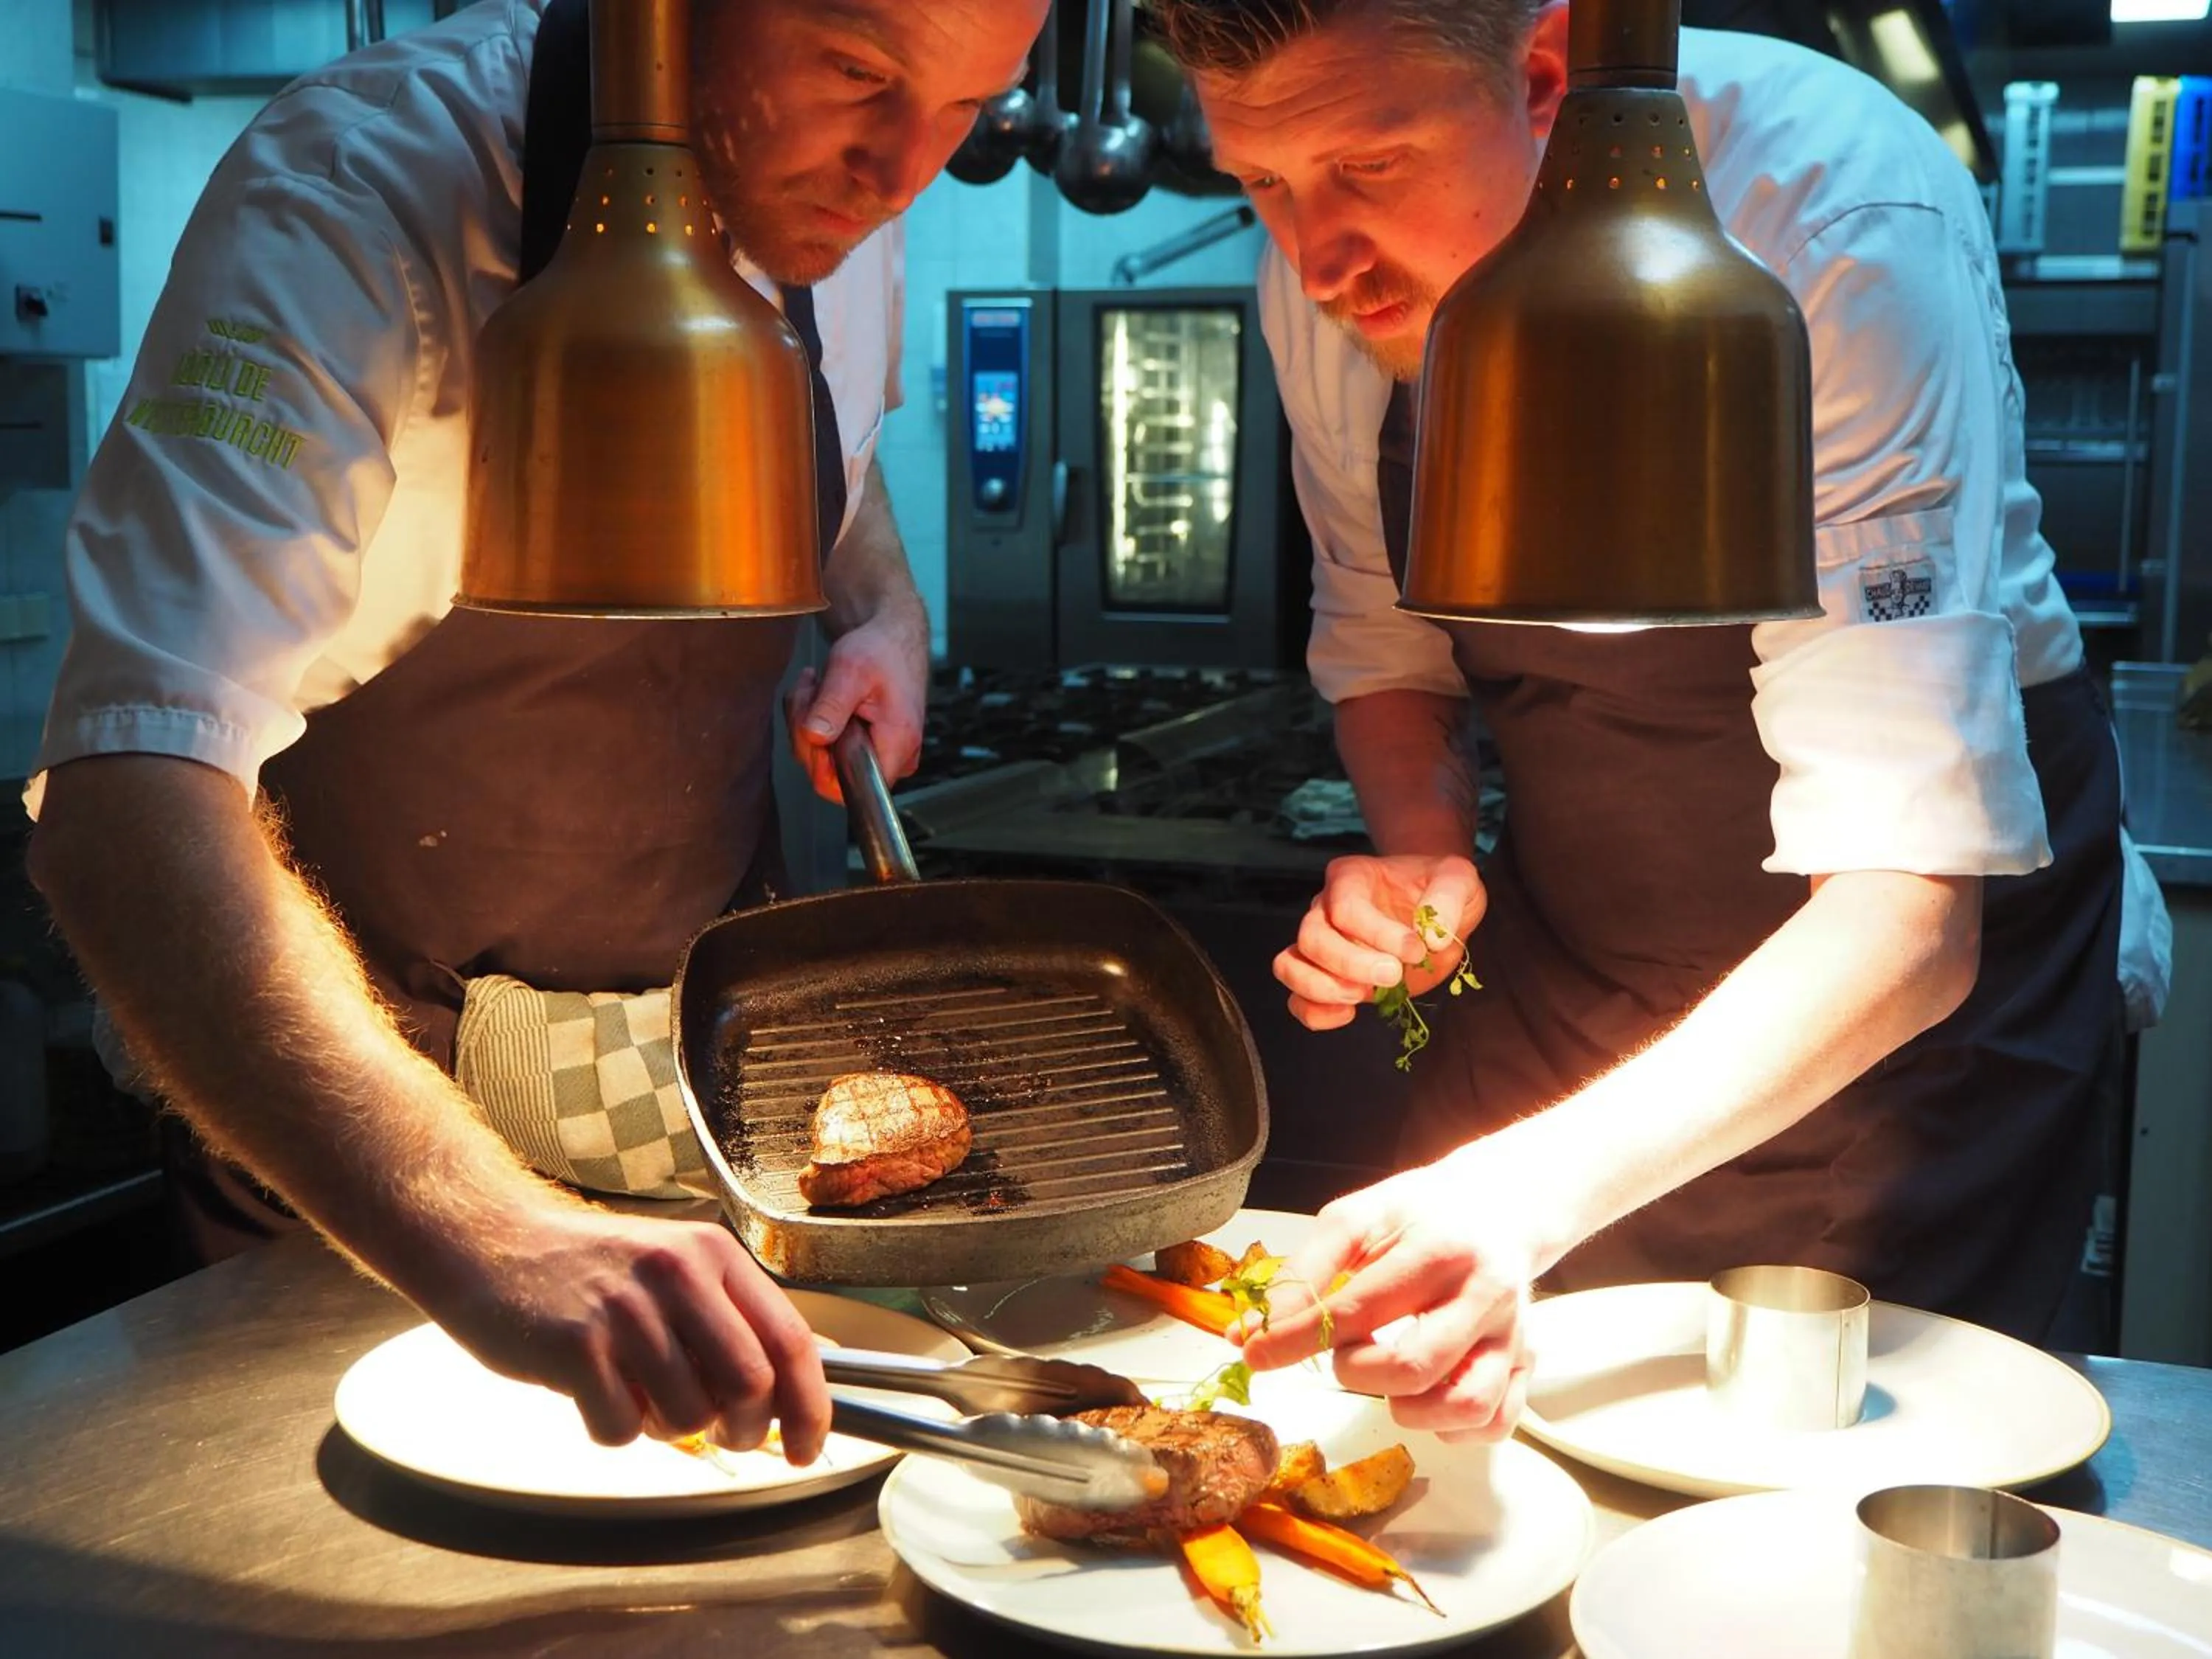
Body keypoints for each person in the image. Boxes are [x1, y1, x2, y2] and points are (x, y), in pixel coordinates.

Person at [25, 0, 1043, 1465]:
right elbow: (125, 805)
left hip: (687, 1130)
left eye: (967, 108)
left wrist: (880, 608)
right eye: (858, 71)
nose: (902, 172)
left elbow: (843, 442)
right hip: (379, 1180)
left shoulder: (834, 203)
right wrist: (486, 1229)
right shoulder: (352, 198)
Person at [1150, 0, 2172, 1439]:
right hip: (1579, 956)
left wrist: (1520, 1196)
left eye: (1371, 165)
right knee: (1502, 1440)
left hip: (1903, 1019)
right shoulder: (1339, 280)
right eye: (1264, 181)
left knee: (1835, 1467)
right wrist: (1425, 852)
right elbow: (1386, 647)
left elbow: (1909, 917)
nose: (1316, 258)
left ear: (1546, 78)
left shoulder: (1827, 213)